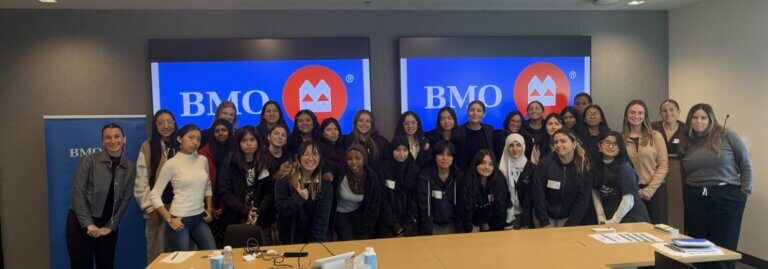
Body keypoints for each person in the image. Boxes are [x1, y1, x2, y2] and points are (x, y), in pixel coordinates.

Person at [681, 104, 752, 269]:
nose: (699, 121)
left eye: (703, 117)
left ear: (711, 119)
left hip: (726, 197)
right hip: (696, 198)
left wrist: (744, 193)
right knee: (698, 246)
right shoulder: (687, 142)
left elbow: (746, 164)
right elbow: (684, 173)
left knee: (723, 247)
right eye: (695, 117)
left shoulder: (727, 136)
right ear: (690, 120)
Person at [66, 123, 136, 269]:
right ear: (102, 141)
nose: (113, 141)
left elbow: (126, 199)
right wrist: (88, 224)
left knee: (106, 265)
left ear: (124, 139)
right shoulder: (89, 160)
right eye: (108, 138)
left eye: (117, 136)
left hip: (107, 225)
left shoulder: (130, 167)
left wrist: (111, 227)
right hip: (81, 223)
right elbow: (78, 193)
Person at [149, 124, 216, 251]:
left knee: (213, 254)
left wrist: (209, 208)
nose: (195, 142)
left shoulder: (203, 160)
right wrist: (169, 219)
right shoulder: (171, 164)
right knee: (182, 261)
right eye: (191, 137)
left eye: (198, 139)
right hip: (179, 220)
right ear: (180, 139)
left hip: (199, 217)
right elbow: (154, 195)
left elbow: (207, 186)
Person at [134, 109, 178, 262]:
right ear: (155, 126)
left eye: (169, 121)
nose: (166, 126)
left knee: (182, 253)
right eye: (160, 122)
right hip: (157, 209)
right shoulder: (147, 146)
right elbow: (141, 180)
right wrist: (150, 208)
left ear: (174, 123)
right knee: (158, 255)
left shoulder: (184, 144)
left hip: (181, 208)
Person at [274, 141, 334, 244]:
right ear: (298, 157)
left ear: (319, 159)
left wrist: (313, 247)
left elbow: (321, 221)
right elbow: (281, 210)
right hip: (289, 240)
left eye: (315, 154)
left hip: (315, 241)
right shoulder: (284, 179)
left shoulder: (325, 186)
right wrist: (298, 198)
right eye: (306, 154)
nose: (311, 158)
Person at [216, 126, 270, 240]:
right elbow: (225, 192)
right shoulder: (229, 162)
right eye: (244, 140)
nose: (248, 143)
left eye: (252, 140)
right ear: (238, 143)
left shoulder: (266, 161)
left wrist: (257, 211)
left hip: (260, 217)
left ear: (258, 142)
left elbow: (269, 191)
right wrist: (245, 211)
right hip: (235, 217)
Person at [333, 144, 394, 240]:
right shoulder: (339, 172)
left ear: (364, 159)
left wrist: (365, 233)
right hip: (340, 213)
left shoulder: (372, 178)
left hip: (359, 212)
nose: (353, 162)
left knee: (361, 240)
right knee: (347, 241)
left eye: (358, 158)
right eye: (349, 159)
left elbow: (373, 208)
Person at [532, 130, 592, 227]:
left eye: (563, 141)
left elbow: (583, 198)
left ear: (574, 144)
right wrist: (544, 221)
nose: (558, 145)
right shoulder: (545, 163)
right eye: (555, 142)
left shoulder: (584, 166)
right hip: (544, 216)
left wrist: (572, 222)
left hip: (568, 217)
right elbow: (538, 194)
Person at [622, 100, 668, 224]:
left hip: (656, 190)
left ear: (645, 116)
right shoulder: (621, 138)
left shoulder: (656, 136)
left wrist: (649, 190)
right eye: (632, 112)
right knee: (635, 230)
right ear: (626, 115)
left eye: (640, 113)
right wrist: (635, 190)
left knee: (658, 230)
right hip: (632, 191)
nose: (636, 116)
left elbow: (663, 165)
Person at [592, 131, 650, 224]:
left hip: (631, 216)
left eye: (615, 144)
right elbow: (594, 191)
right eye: (607, 142)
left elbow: (629, 200)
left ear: (620, 149)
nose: (610, 146)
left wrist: (614, 221)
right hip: (611, 214)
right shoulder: (595, 166)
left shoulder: (624, 168)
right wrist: (600, 215)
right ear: (600, 145)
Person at [417, 140, 463, 235]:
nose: (445, 158)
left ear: (453, 158)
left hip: (454, 226)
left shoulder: (459, 177)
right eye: (441, 154)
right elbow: (424, 208)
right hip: (432, 227)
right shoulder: (425, 177)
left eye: (449, 155)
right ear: (435, 156)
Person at [458, 150, 509, 232]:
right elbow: (464, 208)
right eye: (483, 163)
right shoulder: (466, 180)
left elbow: (501, 208)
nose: (487, 167)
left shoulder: (499, 180)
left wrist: (491, 226)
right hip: (471, 228)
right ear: (476, 164)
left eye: (490, 164)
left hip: (493, 228)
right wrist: (470, 227)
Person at [379, 136, 421, 236]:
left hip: (410, 225)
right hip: (387, 225)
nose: (401, 154)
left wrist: (408, 226)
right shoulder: (383, 170)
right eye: (397, 149)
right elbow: (382, 201)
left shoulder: (414, 170)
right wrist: (395, 226)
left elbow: (416, 201)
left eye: (405, 150)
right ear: (392, 150)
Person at [259, 124, 292, 245]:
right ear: (268, 137)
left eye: (283, 135)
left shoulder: (291, 157)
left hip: (283, 205)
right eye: (276, 134)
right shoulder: (260, 156)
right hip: (264, 207)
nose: (280, 137)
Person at [498, 133, 536, 229]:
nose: (515, 149)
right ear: (506, 148)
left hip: (526, 216)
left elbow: (530, 197)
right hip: (505, 217)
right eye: (511, 145)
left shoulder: (532, 168)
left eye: (518, 145)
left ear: (523, 146)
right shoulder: (500, 168)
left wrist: (525, 223)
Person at [345, 110, 390, 174]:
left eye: (368, 121)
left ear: (372, 124)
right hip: (355, 181)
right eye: (361, 121)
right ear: (355, 123)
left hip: (377, 181)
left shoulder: (382, 142)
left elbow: (387, 164)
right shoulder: (347, 141)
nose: (364, 124)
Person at [457, 100, 495, 169]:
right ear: (467, 112)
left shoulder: (489, 130)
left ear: (484, 114)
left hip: (485, 171)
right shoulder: (459, 131)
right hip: (465, 173)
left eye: (479, 111)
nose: (475, 113)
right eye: (472, 110)